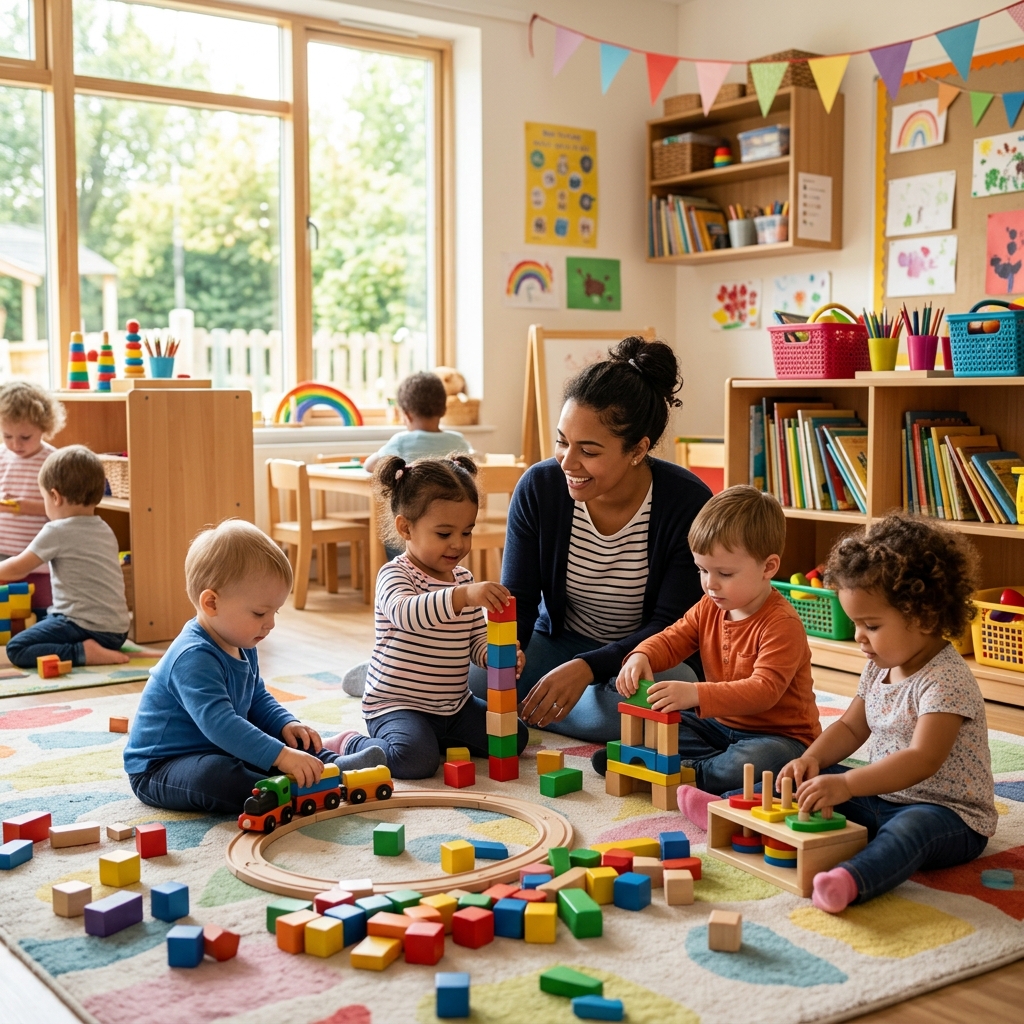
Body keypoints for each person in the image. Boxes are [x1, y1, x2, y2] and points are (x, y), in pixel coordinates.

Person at [481, 336, 711, 751]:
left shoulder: (687, 504)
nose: (567, 462)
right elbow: (518, 597)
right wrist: (507, 655)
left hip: (645, 659)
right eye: (562, 441)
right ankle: (542, 706)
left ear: (638, 449)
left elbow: (670, 626)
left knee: (673, 692)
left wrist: (587, 668)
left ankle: (536, 710)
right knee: (470, 668)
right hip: (555, 645)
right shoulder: (539, 487)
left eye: (588, 450)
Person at [776, 515, 995, 913]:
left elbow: (922, 759)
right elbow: (849, 725)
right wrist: (812, 759)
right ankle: (743, 816)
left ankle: (851, 880)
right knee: (815, 785)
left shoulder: (946, 681)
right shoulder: (880, 663)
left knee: (908, 831)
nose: (858, 636)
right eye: (856, 623)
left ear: (925, 616)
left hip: (947, 814)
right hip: (880, 794)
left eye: (871, 625)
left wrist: (849, 786)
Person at [125, 520, 386, 813]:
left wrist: (287, 724)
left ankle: (330, 763)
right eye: (260, 612)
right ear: (211, 603)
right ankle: (294, 782)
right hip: (162, 768)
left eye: (274, 612)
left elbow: (256, 698)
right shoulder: (192, 657)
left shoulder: (242, 641)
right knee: (217, 775)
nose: (270, 623)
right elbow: (221, 724)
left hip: (219, 746)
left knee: (281, 738)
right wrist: (282, 756)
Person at [618, 485, 819, 820]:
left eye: (724, 573)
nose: (710, 583)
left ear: (768, 567)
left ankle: (691, 774)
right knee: (661, 722)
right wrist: (643, 655)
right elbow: (673, 638)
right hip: (718, 726)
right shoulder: (709, 605)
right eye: (702, 570)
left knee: (757, 762)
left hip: (780, 736)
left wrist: (694, 693)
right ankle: (679, 765)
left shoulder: (781, 623)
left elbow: (763, 691)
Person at [327, 455, 529, 778]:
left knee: (514, 737)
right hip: (396, 704)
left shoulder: (463, 579)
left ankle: (434, 738)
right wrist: (463, 597)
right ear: (406, 527)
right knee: (416, 761)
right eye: (444, 534)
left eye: (467, 532)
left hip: (453, 706)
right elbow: (408, 614)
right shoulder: (395, 576)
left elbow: (476, 640)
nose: (458, 544)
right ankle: (351, 743)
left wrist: (498, 656)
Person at [0, 446, 131, 667]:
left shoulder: (57, 530)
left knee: (17, 648)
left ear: (55, 496)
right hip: (117, 632)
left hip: (84, 628)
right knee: (44, 617)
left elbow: (19, 568)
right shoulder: (104, 527)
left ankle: (82, 652)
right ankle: (90, 648)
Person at [0, 381, 63, 612]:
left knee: (39, 608)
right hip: (4, 546)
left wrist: (24, 507)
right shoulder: (2, 456)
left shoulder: (53, 460)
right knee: (8, 609)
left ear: (44, 427)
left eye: (25, 437)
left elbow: (61, 508)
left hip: (38, 554)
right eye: (7, 436)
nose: (15, 444)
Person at [363, 372, 470, 473]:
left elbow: (369, 466)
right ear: (444, 410)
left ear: (407, 415)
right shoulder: (459, 441)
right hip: (454, 493)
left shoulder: (400, 442)